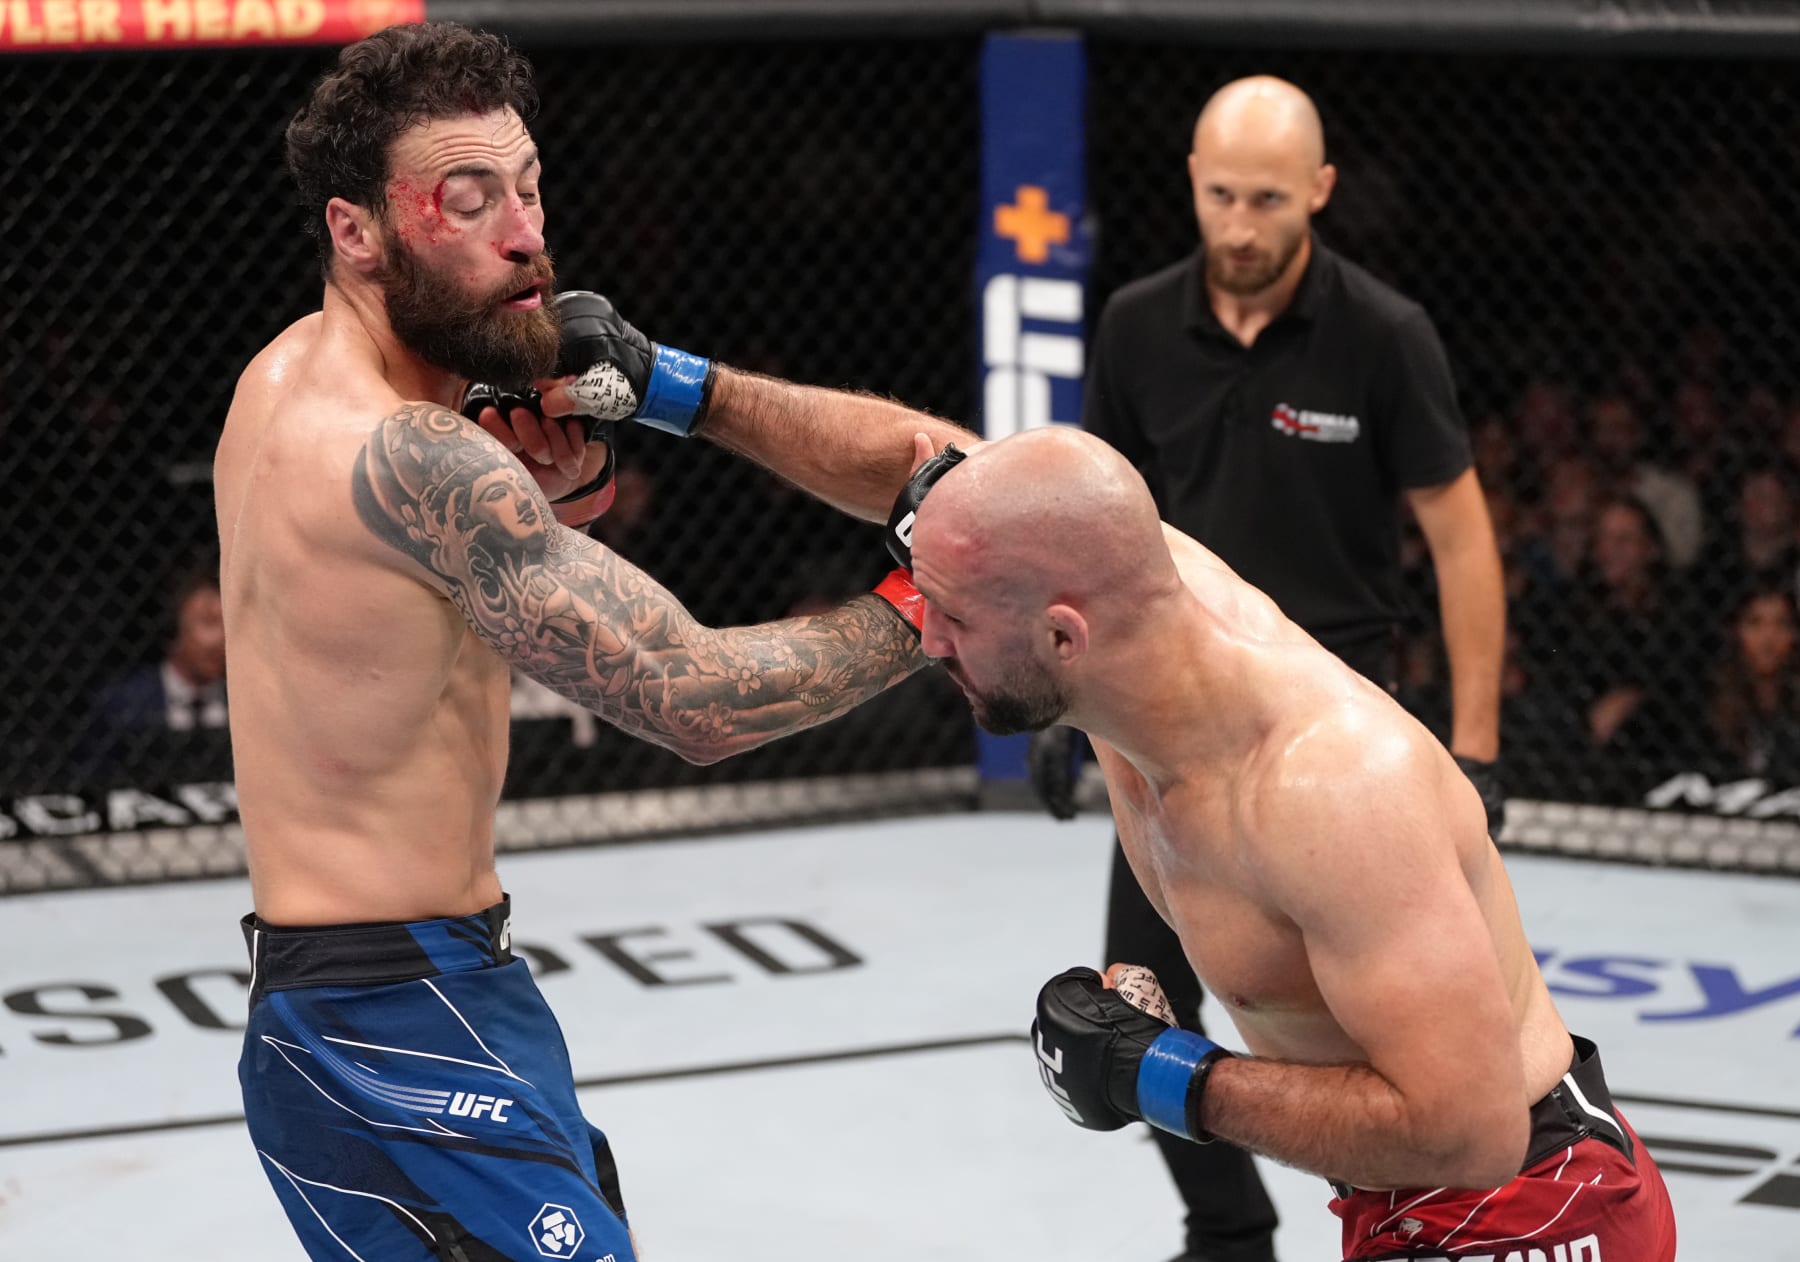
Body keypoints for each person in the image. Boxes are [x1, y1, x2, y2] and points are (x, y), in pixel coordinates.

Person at [218, 22, 974, 1261]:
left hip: (381, 1001)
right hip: (396, 1017)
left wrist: (546, 501)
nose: (525, 233)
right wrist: (929, 607)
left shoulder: (280, 380)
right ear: (356, 229)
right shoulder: (414, 452)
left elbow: (373, 613)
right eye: (468, 203)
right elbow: (694, 698)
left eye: (529, 189)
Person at [901, 426, 1677, 1261]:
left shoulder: (1333, 791)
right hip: (1423, 1201)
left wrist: (1157, 1073)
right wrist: (731, 395)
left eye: (952, 616)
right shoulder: (1097, 588)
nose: (926, 640)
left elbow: (1468, 1135)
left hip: (1531, 1210)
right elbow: (910, 458)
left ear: (1061, 634)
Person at [1029, 76, 1506, 1262]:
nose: (1241, 226)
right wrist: (1060, 695)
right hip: (1165, 727)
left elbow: (1461, 535)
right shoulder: (1138, 325)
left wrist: (1482, 740)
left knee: (1379, 1027)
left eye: (1270, 201)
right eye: (1224, 195)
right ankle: (1229, 1229)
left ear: (1321, 193)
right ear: (1192, 178)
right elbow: (1092, 524)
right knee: (1127, 1008)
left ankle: (1417, 1228)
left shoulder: (1383, 336)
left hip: (1336, 737)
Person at [80, 564, 231, 785]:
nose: (221, 638)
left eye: (228, 624)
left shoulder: (250, 701)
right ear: (174, 629)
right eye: (208, 622)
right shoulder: (123, 702)